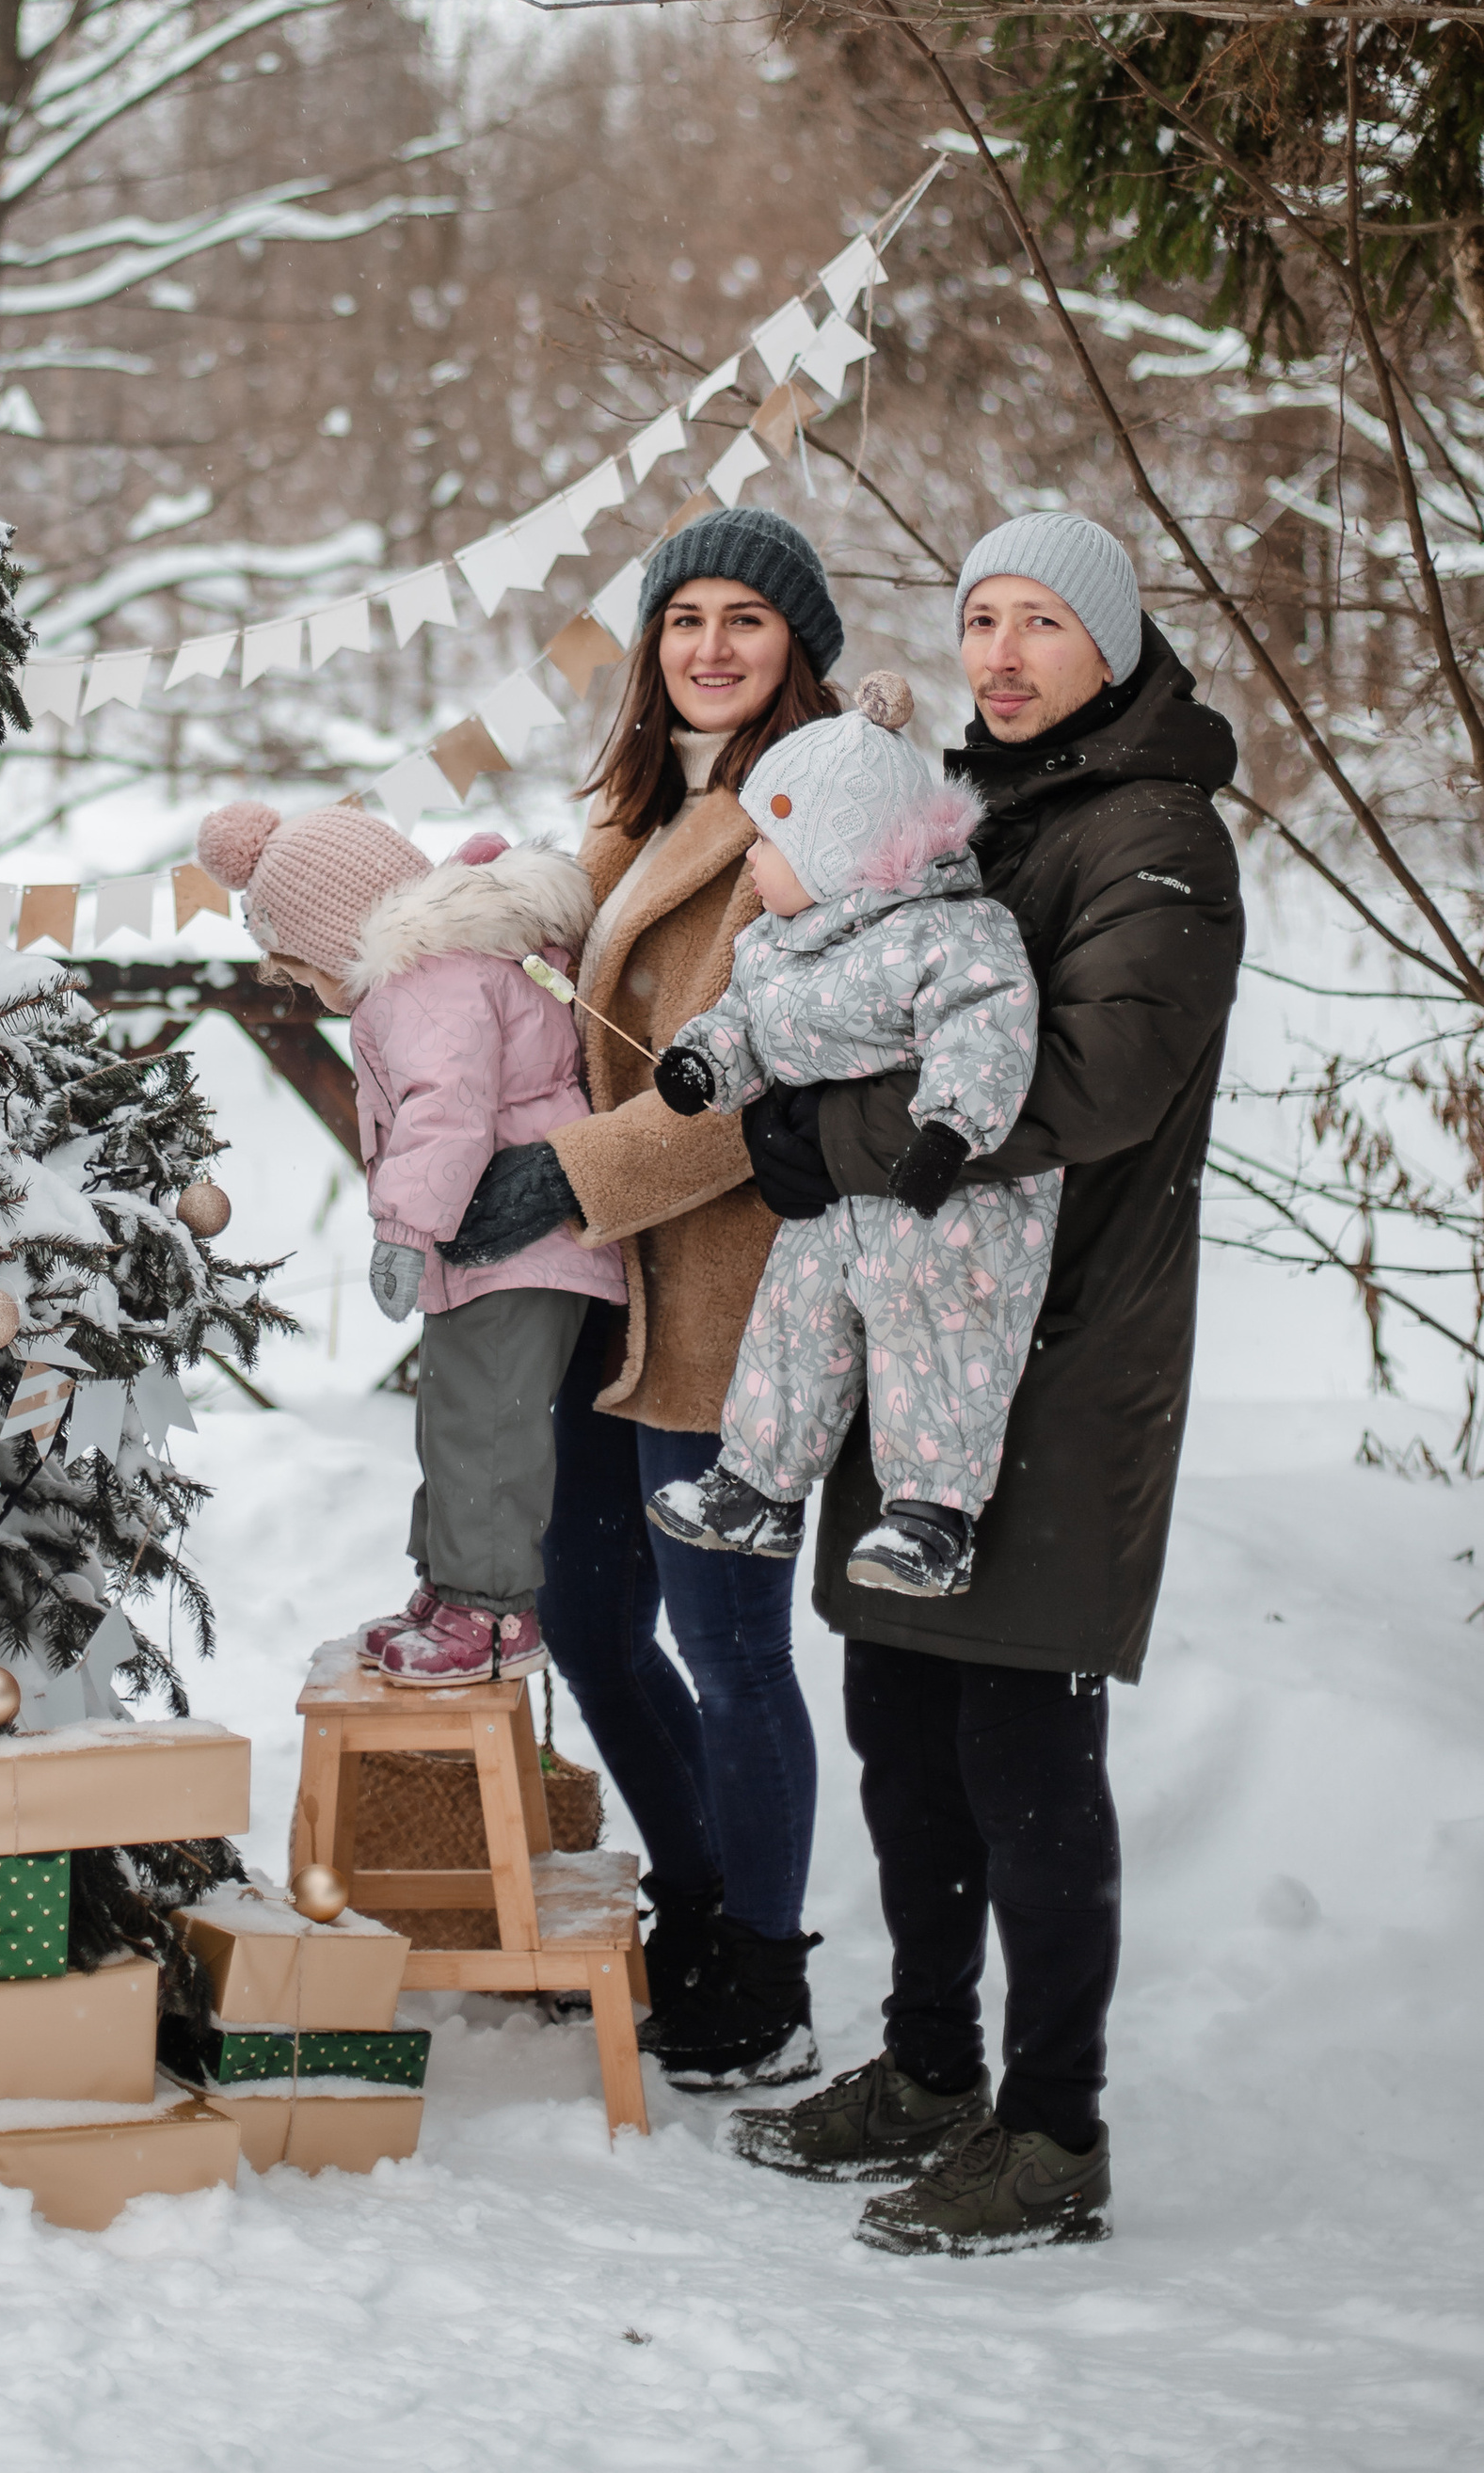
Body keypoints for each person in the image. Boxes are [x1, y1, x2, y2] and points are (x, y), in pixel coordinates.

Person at [727, 513, 1244, 2257]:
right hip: (918, 1330)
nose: (1003, 655)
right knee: (901, 1734)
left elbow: (1091, 1082)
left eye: (1043, 625)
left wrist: (833, 1137)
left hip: (1063, 1360)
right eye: (982, 621)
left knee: (1025, 1751)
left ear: (1115, 647)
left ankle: (1054, 2132)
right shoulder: (972, 812)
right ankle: (932, 2071)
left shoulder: (1156, 839)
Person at [441, 506, 842, 2086]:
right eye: (686, 620)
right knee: (596, 1619)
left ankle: (767, 1965)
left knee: (729, 1640)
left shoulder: (811, 820)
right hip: (609, 1301)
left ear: (796, 649)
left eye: (749, 620)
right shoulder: (629, 816)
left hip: (730, 1297)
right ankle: (696, 1900)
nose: (712, 648)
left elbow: (752, 1083)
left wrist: (562, 1179)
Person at [190, 800, 627, 1683]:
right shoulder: (442, 968)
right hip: (493, 1241)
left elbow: (447, 1111)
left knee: (487, 1423)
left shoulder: (425, 981)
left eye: (304, 970)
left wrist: (403, 1230)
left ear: (337, 932)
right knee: (454, 1412)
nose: (309, 991)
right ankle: (450, 1584)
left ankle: (493, 1611)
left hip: (519, 1240)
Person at [648, 669, 1061, 1601]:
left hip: (948, 1204)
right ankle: (756, 1487)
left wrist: (952, 1124)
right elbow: (741, 1023)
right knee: (789, 1330)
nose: (751, 856)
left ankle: (931, 1518)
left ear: (837, 853)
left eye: (771, 837)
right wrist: (703, 1065)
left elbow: (987, 1022)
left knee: (939, 1345)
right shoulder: (773, 943)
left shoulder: (949, 933)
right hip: (833, 1198)